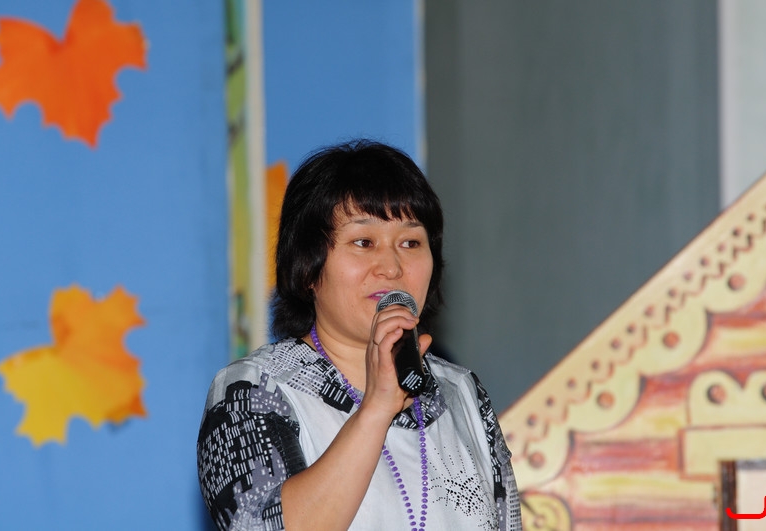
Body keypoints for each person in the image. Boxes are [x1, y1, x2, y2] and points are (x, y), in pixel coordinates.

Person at [197, 140, 522, 530]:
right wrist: (377, 408)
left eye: (411, 242)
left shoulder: (462, 393)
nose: (391, 266)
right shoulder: (252, 390)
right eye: (364, 242)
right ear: (308, 267)